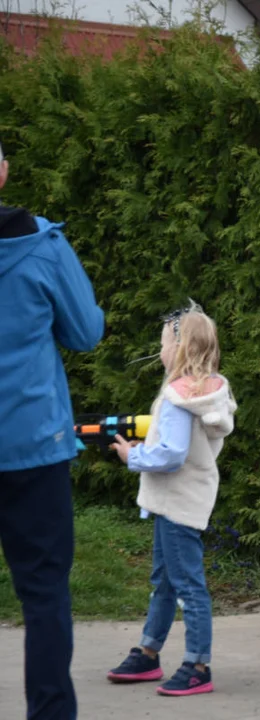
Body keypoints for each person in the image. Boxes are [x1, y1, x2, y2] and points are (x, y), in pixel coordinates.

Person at [0, 141, 105, 719]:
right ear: (4, 172)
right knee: (42, 596)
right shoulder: (41, 244)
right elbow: (86, 333)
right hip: (33, 449)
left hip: (34, 450)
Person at [107, 303, 236, 697]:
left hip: (178, 503)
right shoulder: (204, 392)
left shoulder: (179, 399)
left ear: (180, 349)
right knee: (165, 581)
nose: (159, 351)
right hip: (180, 501)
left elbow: (171, 454)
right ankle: (148, 653)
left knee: (187, 586)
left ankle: (198, 665)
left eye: (164, 343)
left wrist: (134, 457)